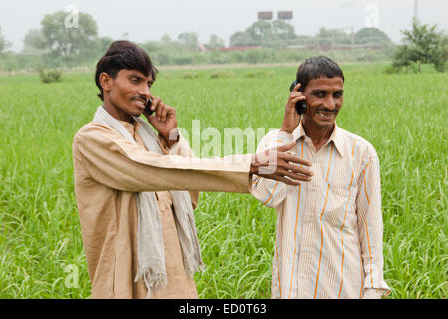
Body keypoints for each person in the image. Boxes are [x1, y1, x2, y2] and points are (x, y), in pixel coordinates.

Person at [72, 40, 313, 299]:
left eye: (149, 84)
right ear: (106, 81)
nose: (144, 91)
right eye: (135, 80)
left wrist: (172, 137)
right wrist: (251, 165)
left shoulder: (149, 137)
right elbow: (153, 170)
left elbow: (188, 192)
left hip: (173, 278)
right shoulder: (92, 139)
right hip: (125, 281)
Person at [251, 56, 390, 299]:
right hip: (292, 289)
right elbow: (267, 195)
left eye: (337, 94)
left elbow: (371, 228)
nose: (330, 104)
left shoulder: (361, 153)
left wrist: (372, 290)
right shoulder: (274, 144)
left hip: (343, 288)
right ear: (298, 95)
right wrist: (286, 133)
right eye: (320, 94)